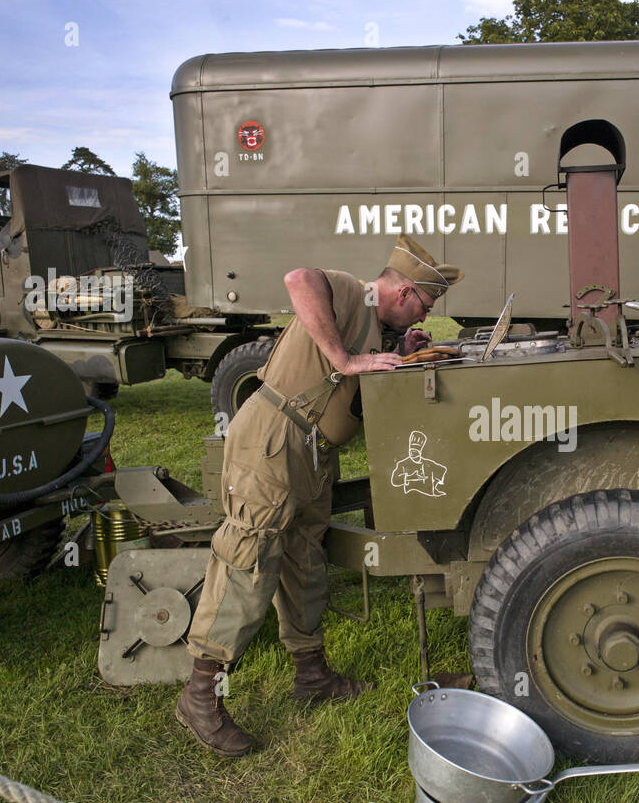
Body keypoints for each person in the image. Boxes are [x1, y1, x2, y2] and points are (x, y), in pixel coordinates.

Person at [175, 234, 464, 756]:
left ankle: (311, 676)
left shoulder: (375, 326)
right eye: (424, 304)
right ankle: (200, 695)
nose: (425, 314)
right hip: (274, 442)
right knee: (249, 558)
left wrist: (396, 353)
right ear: (402, 293)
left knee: (304, 558)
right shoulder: (355, 293)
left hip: (309, 452)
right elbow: (299, 279)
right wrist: (345, 359)